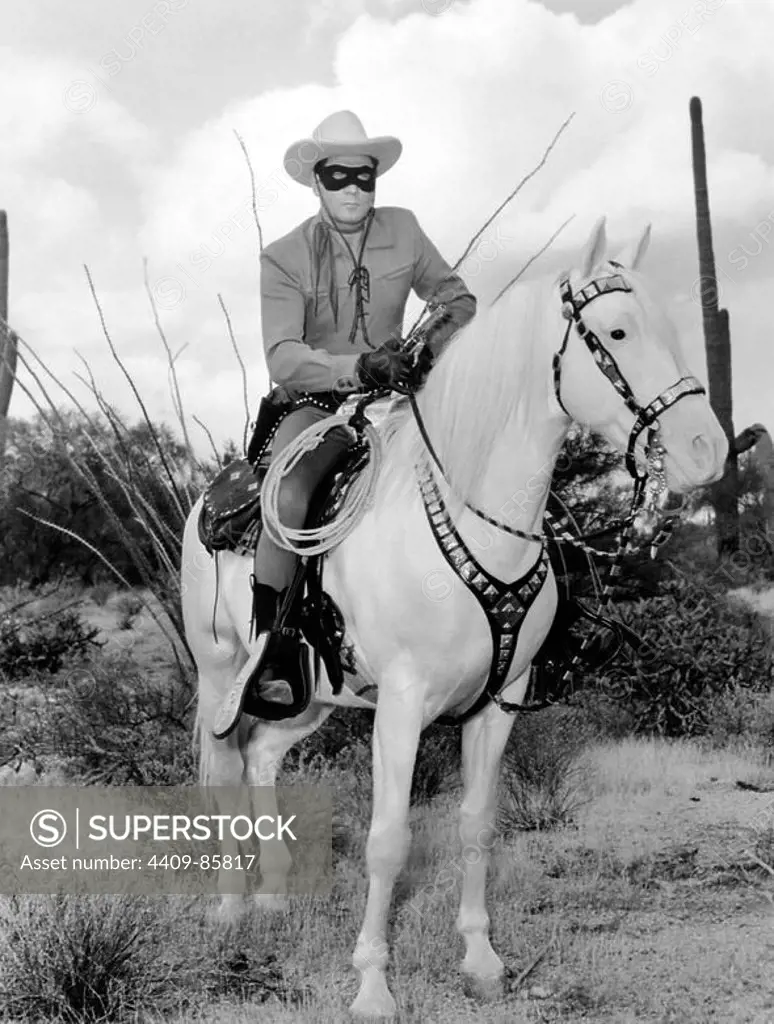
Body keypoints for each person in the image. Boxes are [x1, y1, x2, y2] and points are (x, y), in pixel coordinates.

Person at [247, 109, 477, 715]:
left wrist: (424, 351)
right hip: (317, 406)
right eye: (338, 175)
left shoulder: (405, 228)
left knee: (488, 458)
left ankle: (532, 622)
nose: (353, 188)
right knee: (291, 494)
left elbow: (457, 299)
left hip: (401, 398)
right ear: (316, 180)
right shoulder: (283, 257)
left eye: (364, 177)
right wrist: (356, 369)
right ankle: (274, 647)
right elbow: (282, 356)